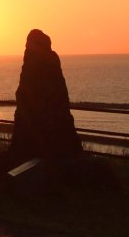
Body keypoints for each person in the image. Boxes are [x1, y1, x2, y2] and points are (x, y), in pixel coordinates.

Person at [8, 29, 83, 165]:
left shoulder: (41, 62)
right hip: (50, 128)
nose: (26, 47)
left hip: (47, 127)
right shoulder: (47, 61)